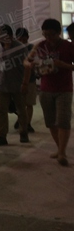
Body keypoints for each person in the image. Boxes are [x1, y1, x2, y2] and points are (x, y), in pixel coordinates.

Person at [25, 19, 74, 166]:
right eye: (45, 34)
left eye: (51, 34)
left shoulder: (68, 47)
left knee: (63, 121)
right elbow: (26, 61)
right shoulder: (40, 46)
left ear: (58, 33)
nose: (48, 38)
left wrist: (62, 65)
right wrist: (32, 64)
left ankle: (62, 153)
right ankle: (59, 148)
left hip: (64, 89)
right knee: (51, 122)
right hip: (45, 89)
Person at [0, 24, 30, 146]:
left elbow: (27, 67)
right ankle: (1, 136)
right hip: (3, 85)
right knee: (2, 111)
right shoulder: (0, 47)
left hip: (17, 84)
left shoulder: (19, 48)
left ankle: (23, 132)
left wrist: (25, 83)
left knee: (21, 110)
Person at [14, 27, 36, 133]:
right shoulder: (14, 49)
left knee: (29, 103)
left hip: (30, 80)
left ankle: (27, 123)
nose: (22, 41)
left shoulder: (31, 48)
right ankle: (22, 120)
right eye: (20, 39)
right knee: (19, 104)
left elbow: (32, 63)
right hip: (18, 80)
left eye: (24, 39)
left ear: (27, 38)